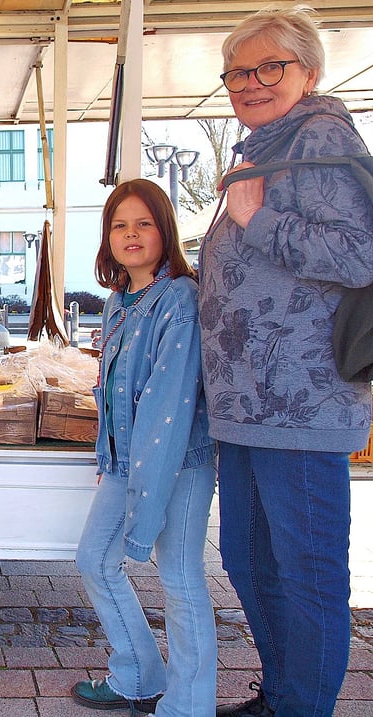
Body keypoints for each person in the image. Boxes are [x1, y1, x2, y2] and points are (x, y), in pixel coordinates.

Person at [200, 6, 373, 717]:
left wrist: (255, 219)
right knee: (247, 559)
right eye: (239, 71)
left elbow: (359, 254)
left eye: (271, 66)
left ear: (310, 71)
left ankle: (302, 705)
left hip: (299, 400)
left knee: (306, 572)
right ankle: (283, 692)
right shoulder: (266, 147)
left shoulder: (322, 138)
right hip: (246, 404)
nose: (252, 81)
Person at [69, 179, 217, 717]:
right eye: (118, 225)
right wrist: (109, 459)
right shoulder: (118, 300)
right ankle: (138, 672)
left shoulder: (179, 299)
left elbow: (167, 404)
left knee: (179, 579)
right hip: (127, 460)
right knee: (95, 560)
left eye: (143, 223)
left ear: (165, 230)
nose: (130, 235)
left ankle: (189, 706)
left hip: (177, 462)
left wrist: (141, 493)